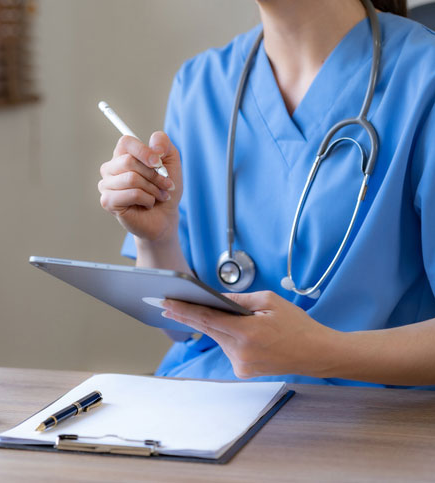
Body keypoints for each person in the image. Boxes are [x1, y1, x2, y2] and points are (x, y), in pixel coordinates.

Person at [98, 0, 435, 387]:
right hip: (207, 403)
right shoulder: (201, 84)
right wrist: (157, 237)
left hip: (367, 420)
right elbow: (180, 329)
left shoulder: (423, 78)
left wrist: (321, 352)